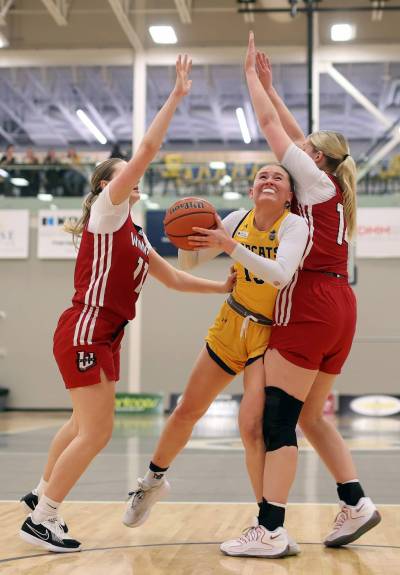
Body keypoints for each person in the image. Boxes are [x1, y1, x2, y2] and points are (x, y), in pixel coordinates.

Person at [18, 54, 236, 554]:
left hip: (103, 334)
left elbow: (176, 279)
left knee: (79, 426)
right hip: (86, 329)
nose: (135, 177)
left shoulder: (134, 233)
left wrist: (221, 288)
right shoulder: (108, 211)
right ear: (106, 185)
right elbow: (148, 147)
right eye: (124, 175)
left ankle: (38, 495)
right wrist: (176, 97)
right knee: (97, 432)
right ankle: (45, 516)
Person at [219, 32, 381, 559]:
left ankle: (269, 529)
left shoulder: (314, 186)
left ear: (318, 161)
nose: (297, 148)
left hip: (309, 305)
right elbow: (290, 130)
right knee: (313, 417)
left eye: (307, 149)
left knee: (280, 419)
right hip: (341, 307)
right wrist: (271, 85)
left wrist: (250, 79)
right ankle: (356, 502)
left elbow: (271, 127)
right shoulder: (331, 188)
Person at [122, 159, 309, 547]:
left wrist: (229, 245)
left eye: (278, 177)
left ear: (290, 195)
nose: (269, 180)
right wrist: (187, 240)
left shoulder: (293, 225)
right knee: (187, 409)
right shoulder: (237, 218)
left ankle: (267, 524)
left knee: (251, 428)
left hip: (266, 334)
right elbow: (191, 262)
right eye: (262, 176)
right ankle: (152, 481)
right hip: (230, 323)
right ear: (252, 189)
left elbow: (279, 274)